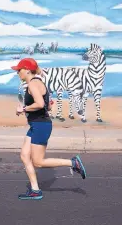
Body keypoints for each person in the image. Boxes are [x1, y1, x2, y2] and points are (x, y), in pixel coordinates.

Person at [11, 58, 87, 200]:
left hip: (41, 126)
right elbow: (49, 106)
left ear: (27, 70)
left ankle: (73, 163)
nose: (17, 73)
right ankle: (35, 190)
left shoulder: (33, 84)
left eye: (19, 70)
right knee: (24, 155)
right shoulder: (37, 83)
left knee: (38, 162)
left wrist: (24, 108)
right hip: (37, 124)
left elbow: (40, 104)